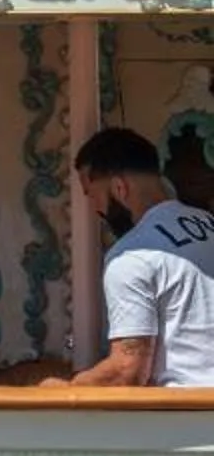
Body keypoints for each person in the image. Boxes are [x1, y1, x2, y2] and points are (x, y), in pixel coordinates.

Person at [62, 128, 214, 388]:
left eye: (92, 195)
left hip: (192, 415)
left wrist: (65, 390)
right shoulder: (208, 223)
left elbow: (127, 371)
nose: (96, 209)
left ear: (119, 188)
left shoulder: (131, 256)